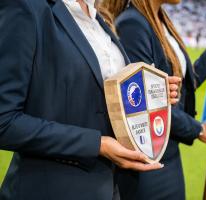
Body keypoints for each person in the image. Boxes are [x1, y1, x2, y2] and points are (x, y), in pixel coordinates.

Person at [0, 0, 181, 199]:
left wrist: (151, 92)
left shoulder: (97, 17)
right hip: (52, 189)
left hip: (107, 187)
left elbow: (92, 95)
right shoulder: (26, 6)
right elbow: (5, 122)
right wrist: (97, 145)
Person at [99, 0, 206, 199]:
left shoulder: (159, 20)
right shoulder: (133, 24)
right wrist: (198, 129)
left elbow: (178, 87)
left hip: (167, 154)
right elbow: (145, 104)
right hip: (147, 162)